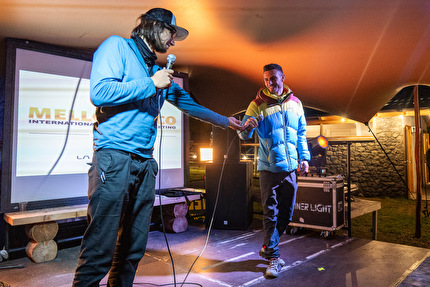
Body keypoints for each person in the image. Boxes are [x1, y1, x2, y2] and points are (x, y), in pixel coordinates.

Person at [72, 8, 243, 287]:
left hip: (144, 165)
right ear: (153, 27)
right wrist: (150, 83)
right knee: (100, 249)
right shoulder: (117, 46)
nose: (173, 42)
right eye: (171, 33)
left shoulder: (157, 70)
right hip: (114, 158)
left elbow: (190, 105)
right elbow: (99, 92)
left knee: (132, 249)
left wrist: (227, 122)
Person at [238, 63, 310, 278]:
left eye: (274, 78)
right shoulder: (256, 105)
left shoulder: (296, 103)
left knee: (286, 214)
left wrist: (304, 157)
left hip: (290, 169)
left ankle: (268, 247)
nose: (270, 82)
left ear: (283, 77)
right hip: (268, 168)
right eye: (266, 79)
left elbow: (301, 134)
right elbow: (242, 134)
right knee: (271, 213)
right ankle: (273, 258)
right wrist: (248, 126)